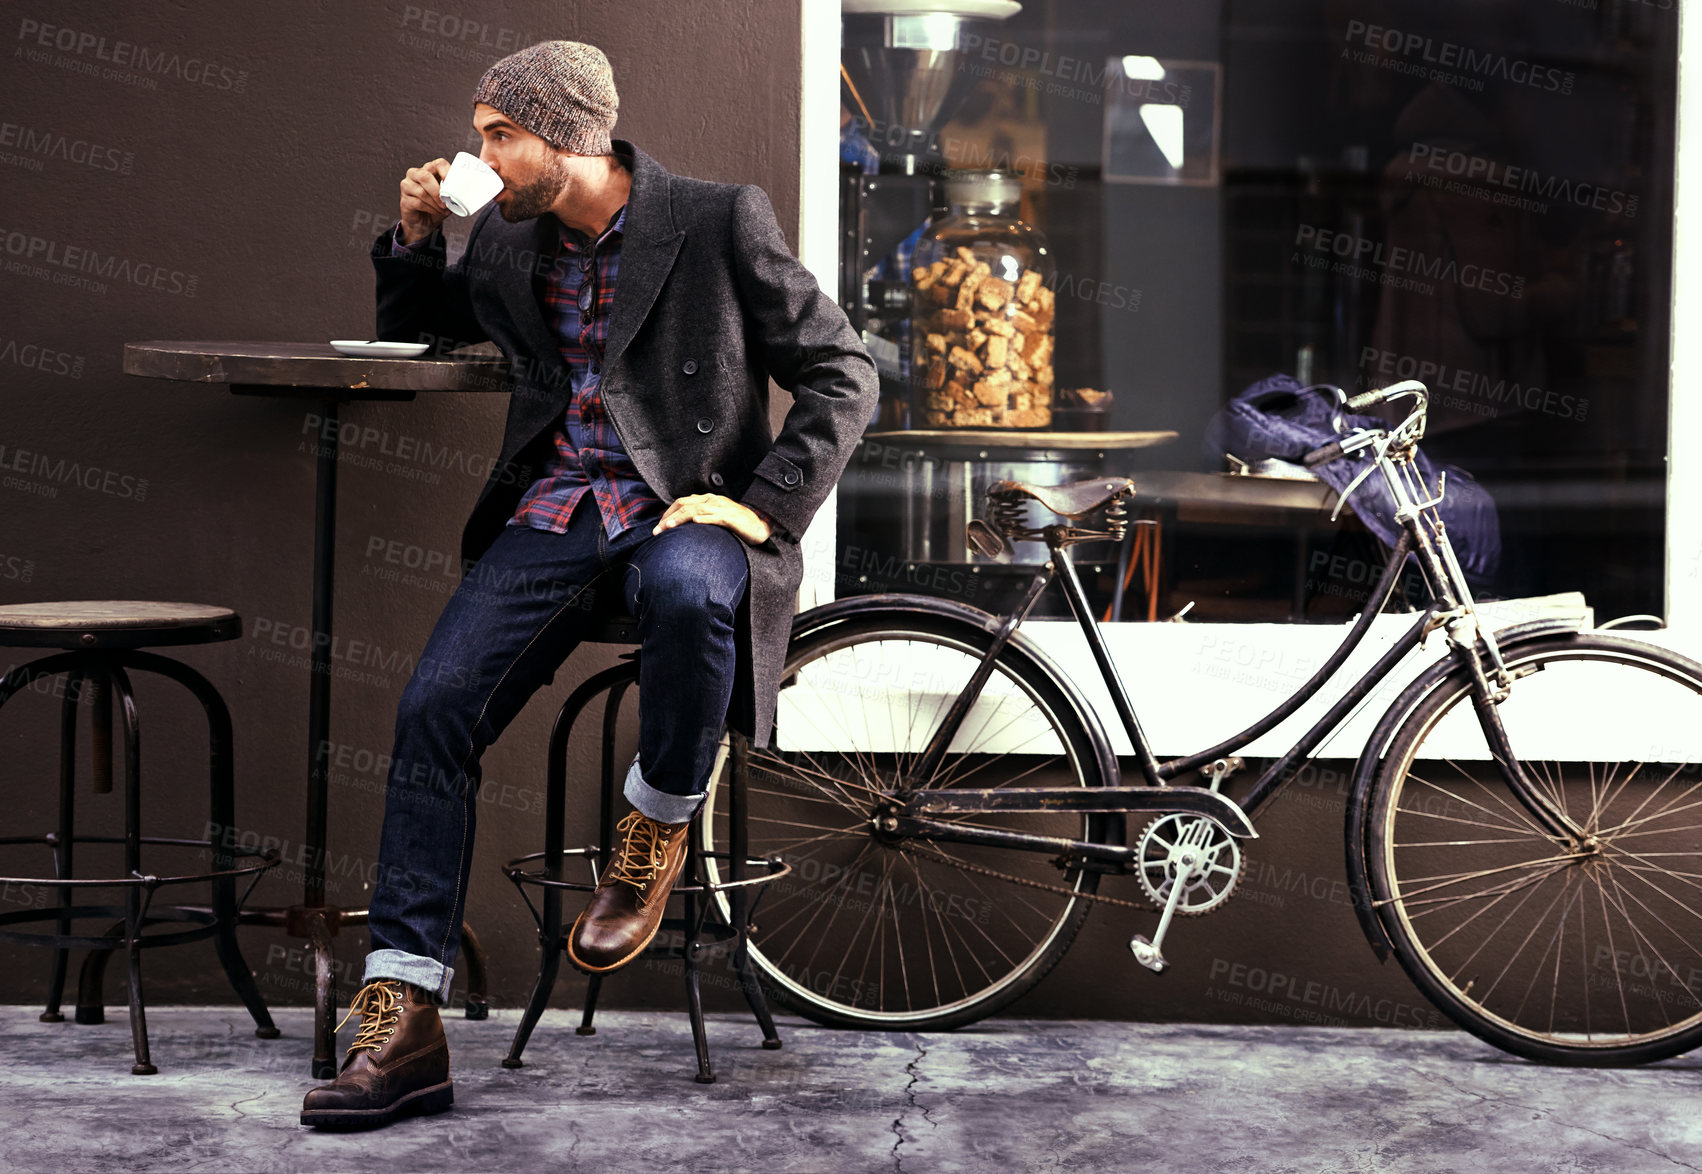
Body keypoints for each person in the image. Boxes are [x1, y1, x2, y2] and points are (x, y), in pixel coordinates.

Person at [300, 40, 878, 1129]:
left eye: (496, 136)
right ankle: (406, 1013)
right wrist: (419, 238)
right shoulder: (513, 245)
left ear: (564, 135)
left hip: (686, 505)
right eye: (480, 136)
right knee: (432, 708)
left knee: (692, 589)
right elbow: (421, 331)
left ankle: (653, 825)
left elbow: (843, 369)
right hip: (559, 510)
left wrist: (765, 502)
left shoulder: (718, 218)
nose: (479, 155)